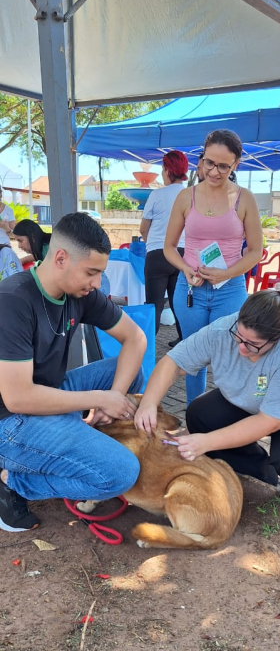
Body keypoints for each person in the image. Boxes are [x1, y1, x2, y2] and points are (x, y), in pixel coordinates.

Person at [135, 284, 280, 515]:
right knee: (202, 413)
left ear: (277, 337)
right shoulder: (224, 328)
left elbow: (271, 421)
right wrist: (149, 403)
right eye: (238, 336)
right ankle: (260, 479)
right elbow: (173, 362)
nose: (240, 348)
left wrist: (206, 442)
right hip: (255, 398)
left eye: (252, 345)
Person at [0, 212, 147, 533]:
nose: (97, 284)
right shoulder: (12, 300)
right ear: (61, 258)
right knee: (121, 474)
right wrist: (99, 398)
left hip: (54, 391)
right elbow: (17, 398)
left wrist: (114, 395)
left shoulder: (80, 294)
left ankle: (74, 443)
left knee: (127, 376)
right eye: (92, 272)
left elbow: (136, 339)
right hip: (9, 420)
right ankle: (16, 480)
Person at [163, 128, 263, 404]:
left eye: (223, 165)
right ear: (201, 160)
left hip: (229, 291)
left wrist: (227, 273)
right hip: (190, 290)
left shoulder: (245, 198)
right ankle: (196, 415)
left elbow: (256, 250)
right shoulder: (186, 197)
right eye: (209, 162)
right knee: (193, 356)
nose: (215, 171)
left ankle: (229, 416)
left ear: (236, 165)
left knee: (231, 355)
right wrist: (184, 268)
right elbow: (169, 247)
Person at [140, 151, 188, 345]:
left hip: (157, 254)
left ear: (168, 170)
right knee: (179, 304)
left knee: (154, 304)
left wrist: (151, 244)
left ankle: (146, 345)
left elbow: (144, 229)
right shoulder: (190, 195)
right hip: (182, 254)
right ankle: (184, 341)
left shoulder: (156, 194)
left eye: (162, 169)